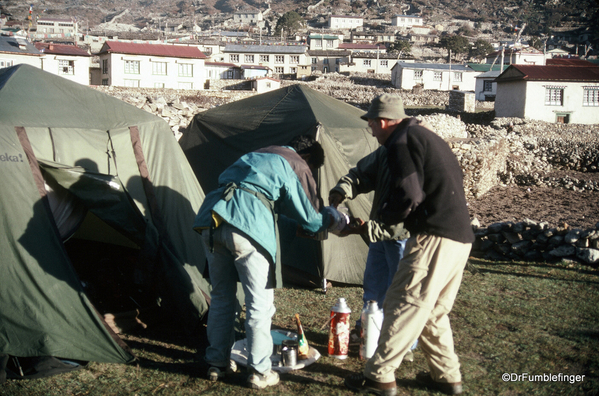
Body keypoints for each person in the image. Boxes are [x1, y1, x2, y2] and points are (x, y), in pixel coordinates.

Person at [344, 94, 474, 396]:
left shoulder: (400, 142)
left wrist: (379, 225)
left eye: (372, 126)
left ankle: (379, 376)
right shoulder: (426, 137)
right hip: (460, 239)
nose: (371, 132)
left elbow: (408, 196)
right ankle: (447, 377)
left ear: (383, 121)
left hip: (434, 237)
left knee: (404, 303)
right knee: (433, 312)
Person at [193, 135, 333, 390]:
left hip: (212, 220)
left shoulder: (259, 153)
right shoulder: (295, 163)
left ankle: (217, 362)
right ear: (308, 158)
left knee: (222, 296)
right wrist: (330, 219)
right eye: (310, 171)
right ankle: (259, 370)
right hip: (245, 226)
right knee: (260, 303)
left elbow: (255, 198)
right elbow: (311, 219)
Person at [328, 143, 409, 340]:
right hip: (379, 233)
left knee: (401, 291)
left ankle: (401, 342)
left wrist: (367, 228)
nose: (371, 130)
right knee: (373, 286)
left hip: (401, 236)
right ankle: (367, 330)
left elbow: (408, 203)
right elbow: (360, 175)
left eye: (373, 123)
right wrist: (341, 190)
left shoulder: (412, 154)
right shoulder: (385, 151)